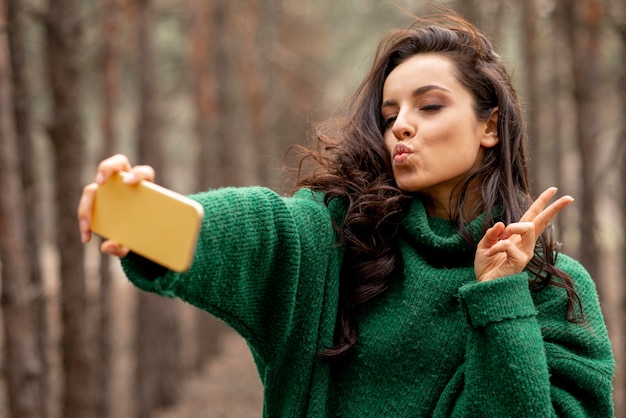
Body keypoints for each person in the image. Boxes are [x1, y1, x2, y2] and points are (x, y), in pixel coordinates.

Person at [77, 13, 615, 417]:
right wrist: (143, 217)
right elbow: (264, 231)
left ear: (490, 126)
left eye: (428, 106)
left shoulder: (557, 292)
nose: (401, 126)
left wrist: (500, 297)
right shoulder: (339, 239)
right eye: (389, 114)